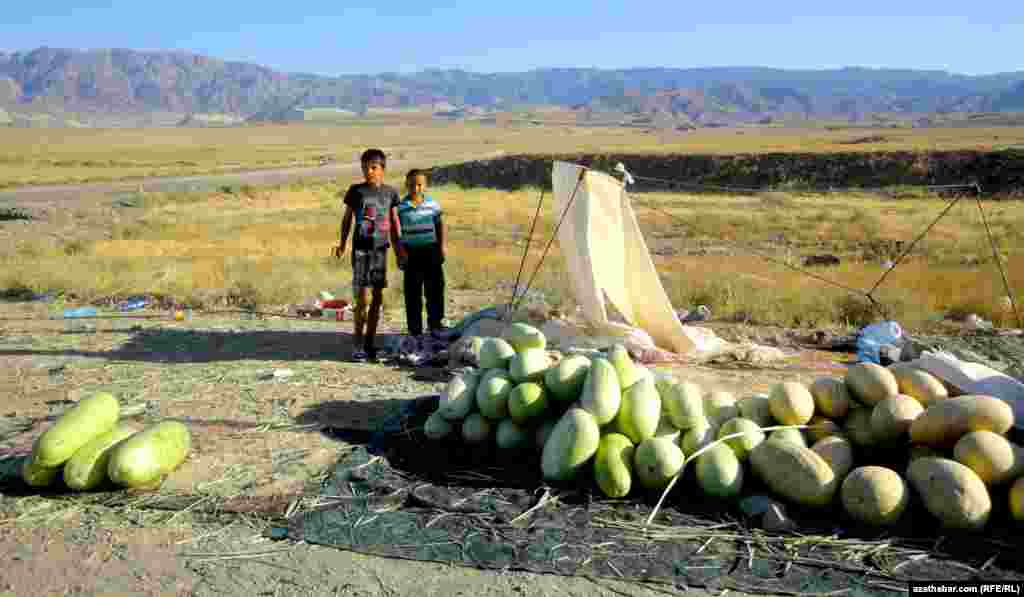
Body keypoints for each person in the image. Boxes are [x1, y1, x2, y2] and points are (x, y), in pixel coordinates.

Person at [334, 149, 401, 362]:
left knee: (377, 298)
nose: (368, 172)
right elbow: (347, 219)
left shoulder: (390, 193)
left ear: (382, 169)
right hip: (361, 251)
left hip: (380, 251)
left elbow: (394, 223)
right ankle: (357, 343)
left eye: (373, 167)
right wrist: (342, 243)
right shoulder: (356, 191)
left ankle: (371, 343)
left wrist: (400, 251)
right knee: (362, 299)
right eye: (364, 168)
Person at [395, 168, 449, 349]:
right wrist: (400, 253)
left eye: (419, 184)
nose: (415, 188)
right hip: (411, 254)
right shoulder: (401, 207)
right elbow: (396, 233)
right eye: (411, 184)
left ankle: (435, 325)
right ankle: (415, 330)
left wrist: (441, 247)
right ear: (406, 185)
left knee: (435, 289)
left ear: (425, 186)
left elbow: (439, 225)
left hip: (431, 251)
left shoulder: (433, 205)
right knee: (412, 292)